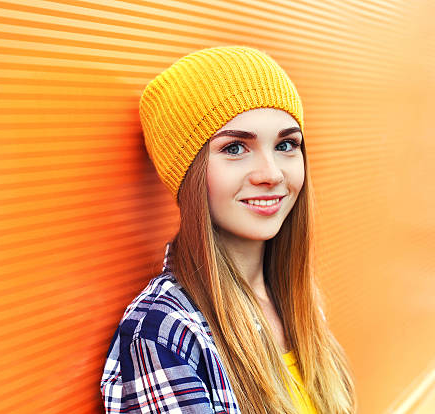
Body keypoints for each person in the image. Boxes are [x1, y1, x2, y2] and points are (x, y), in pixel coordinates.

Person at [100, 45, 356, 414]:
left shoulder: (298, 301)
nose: (270, 173)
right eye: (235, 148)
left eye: (286, 144)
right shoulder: (163, 334)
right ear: (189, 174)